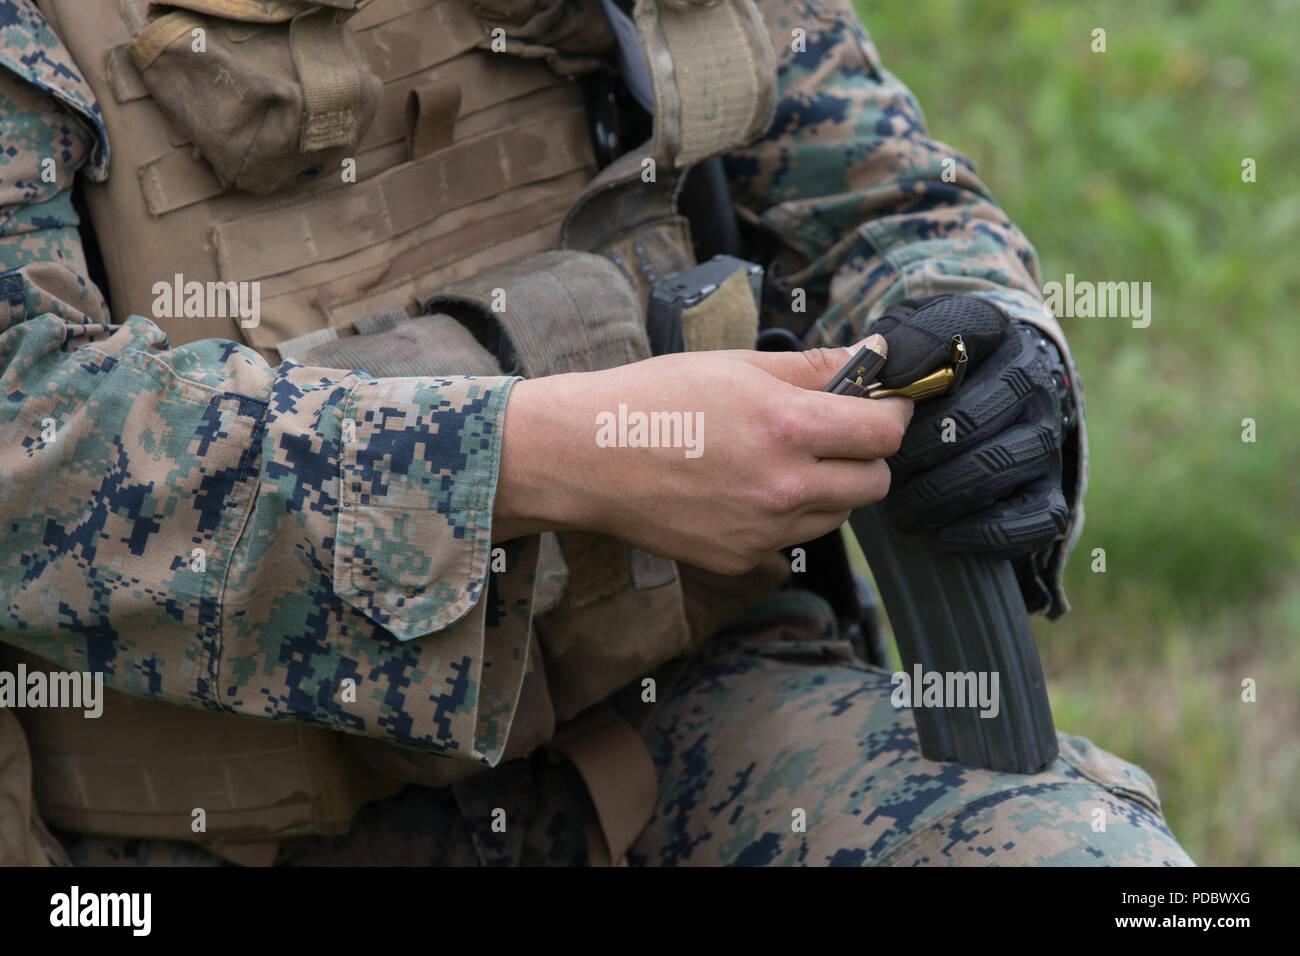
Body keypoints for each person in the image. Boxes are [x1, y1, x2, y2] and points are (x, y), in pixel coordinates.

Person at [0, 0, 1191, 866]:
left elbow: (880, 193)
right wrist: (562, 458)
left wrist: (991, 342)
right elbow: (27, 439)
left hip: (688, 716)